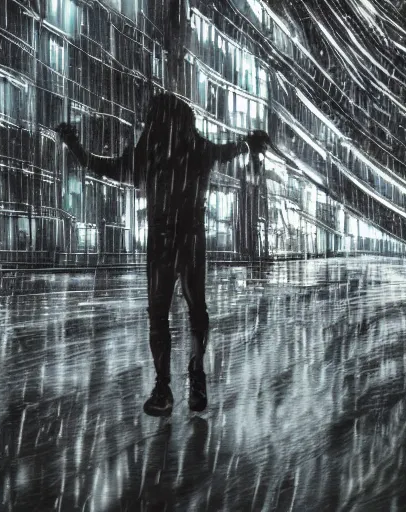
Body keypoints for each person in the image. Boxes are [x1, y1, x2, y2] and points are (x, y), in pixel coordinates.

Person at [56, 93, 270, 416]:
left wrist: (74, 146)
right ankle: (195, 379)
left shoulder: (150, 154)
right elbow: (228, 150)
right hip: (191, 238)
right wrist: (248, 144)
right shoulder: (198, 149)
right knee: (196, 310)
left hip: (162, 242)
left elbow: (106, 166)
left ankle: (164, 387)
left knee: (159, 315)